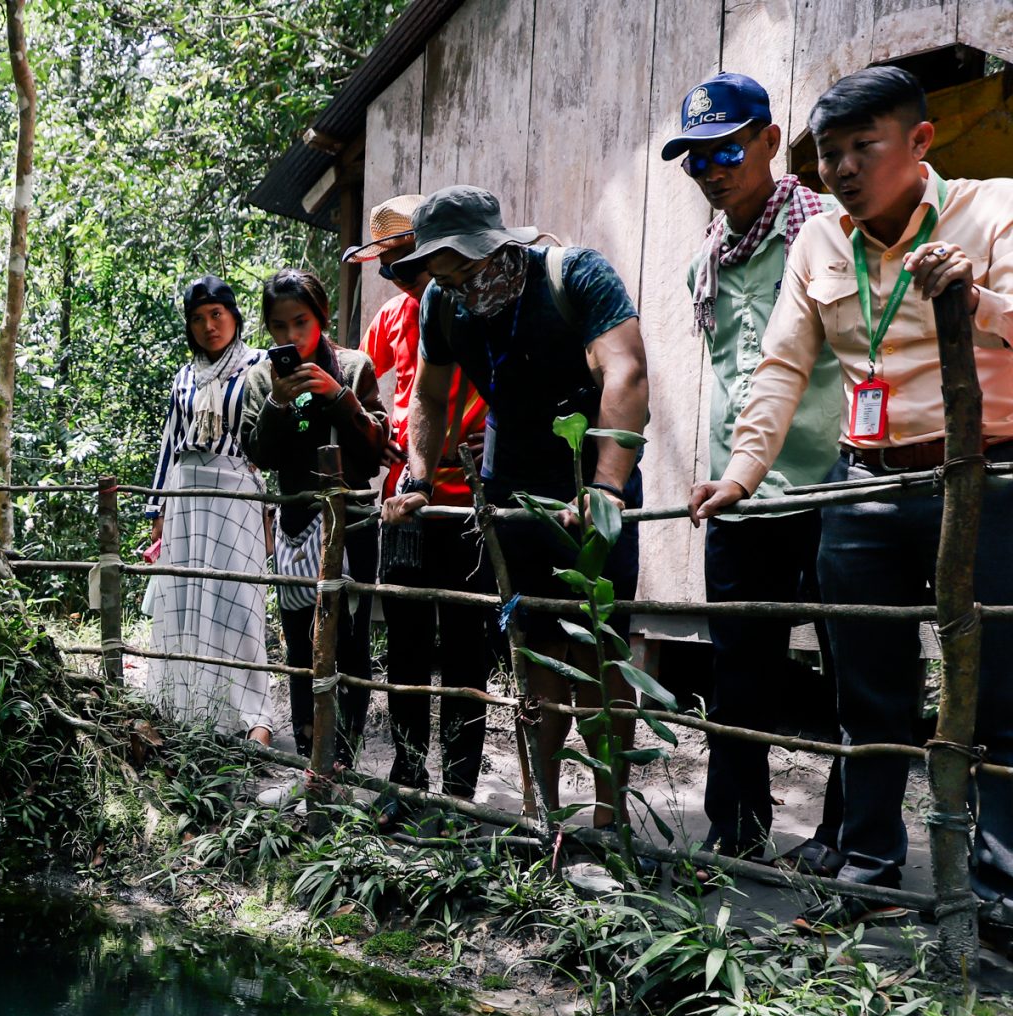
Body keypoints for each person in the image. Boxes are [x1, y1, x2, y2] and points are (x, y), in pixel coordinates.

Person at [689, 65, 1013, 928]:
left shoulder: (993, 209)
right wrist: (741, 474)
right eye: (829, 153)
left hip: (984, 478)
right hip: (865, 484)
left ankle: (1000, 892)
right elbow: (782, 366)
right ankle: (870, 869)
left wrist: (975, 298)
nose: (841, 169)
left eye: (862, 148)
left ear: (919, 142)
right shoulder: (818, 244)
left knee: (1002, 691)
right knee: (869, 691)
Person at [382, 187, 651, 829]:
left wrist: (607, 487)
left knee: (597, 650)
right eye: (444, 276)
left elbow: (626, 371)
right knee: (532, 653)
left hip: (588, 479)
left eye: (470, 270)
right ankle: (545, 817)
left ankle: (609, 825)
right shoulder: (441, 306)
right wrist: (419, 476)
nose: (461, 288)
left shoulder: (576, 276)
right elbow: (430, 393)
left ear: (503, 245)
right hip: (510, 491)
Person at [664, 72, 848, 876]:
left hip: (830, 480)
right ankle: (735, 826)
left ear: (771, 142)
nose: (713, 170)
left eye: (728, 150)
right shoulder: (708, 256)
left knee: (853, 667)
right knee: (737, 669)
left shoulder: (826, 232)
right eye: (696, 160)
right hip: (733, 492)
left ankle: (849, 838)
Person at [351, 195, 493, 820]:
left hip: (471, 501)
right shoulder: (388, 318)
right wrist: (376, 430)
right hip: (405, 503)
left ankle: (461, 791)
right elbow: (359, 377)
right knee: (405, 646)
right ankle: (407, 777)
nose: (404, 280)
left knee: (466, 649)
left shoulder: (477, 304)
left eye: (408, 264)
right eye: (393, 270)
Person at [239, 269, 388, 782]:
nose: (289, 336)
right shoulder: (261, 378)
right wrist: (281, 400)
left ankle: (344, 751)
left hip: (354, 522)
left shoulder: (353, 365)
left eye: (300, 322)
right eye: (278, 326)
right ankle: (309, 748)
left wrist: (337, 394)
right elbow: (258, 452)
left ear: (321, 317)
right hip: (297, 522)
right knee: (300, 639)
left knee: (350, 638)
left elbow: (375, 453)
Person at [141, 276, 274, 743]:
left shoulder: (260, 365)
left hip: (236, 490)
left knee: (239, 601)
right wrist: (158, 510)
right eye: (197, 319)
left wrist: (272, 507)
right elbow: (169, 445)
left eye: (216, 314)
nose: (208, 326)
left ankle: (254, 716)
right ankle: (189, 706)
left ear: (235, 317)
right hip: (186, 492)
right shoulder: (185, 376)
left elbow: (275, 436)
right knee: (184, 598)